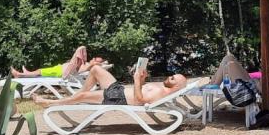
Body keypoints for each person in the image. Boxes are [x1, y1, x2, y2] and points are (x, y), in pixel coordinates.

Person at [31, 63, 186, 108]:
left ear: (177, 87)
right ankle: (74, 98)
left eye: (173, 79)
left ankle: (49, 103)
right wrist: (142, 79)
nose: (169, 77)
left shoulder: (161, 93)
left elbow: (140, 99)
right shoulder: (163, 89)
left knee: (83, 96)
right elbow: (142, 91)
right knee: (95, 69)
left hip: (118, 97)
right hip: (119, 90)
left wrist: (136, 80)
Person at [12, 46, 91, 79]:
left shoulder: (85, 65)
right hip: (58, 69)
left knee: (40, 71)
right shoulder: (83, 64)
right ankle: (27, 73)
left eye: (95, 59)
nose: (93, 59)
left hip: (59, 71)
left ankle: (19, 74)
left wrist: (93, 64)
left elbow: (81, 68)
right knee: (40, 72)